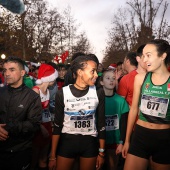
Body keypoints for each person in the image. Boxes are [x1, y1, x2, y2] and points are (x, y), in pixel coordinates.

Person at [49, 55, 106, 170]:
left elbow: (101, 124)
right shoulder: (62, 93)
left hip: (89, 144)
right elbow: (57, 126)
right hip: (67, 143)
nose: (96, 75)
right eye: (93, 71)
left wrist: (101, 152)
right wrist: (52, 156)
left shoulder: (98, 92)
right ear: (80, 72)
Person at [122, 39, 170, 170]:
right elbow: (133, 109)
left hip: (165, 139)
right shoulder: (140, 78)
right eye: (143, 56)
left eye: (148, 55)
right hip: (140, 136)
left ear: (163, 56)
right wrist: (127, 140)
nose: (144, 60)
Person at [0, 56, 42, 170]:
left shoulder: (32, 97)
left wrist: (7, 128)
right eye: (5, 70)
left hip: (20, 152)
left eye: (12, 70)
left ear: (22, 72)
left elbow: (34, 125)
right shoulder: (1, 92)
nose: (7, 73)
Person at [100, 70, 129, 170]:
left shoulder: (121, 101)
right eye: (108, 78)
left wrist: (121, 142)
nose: (111, 81)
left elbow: (123, 124)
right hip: (98, 143)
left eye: (113, 78)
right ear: (101, 82)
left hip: (114, 144)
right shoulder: (96, 100)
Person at [31, 64, 58, 170]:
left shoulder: (48, 91)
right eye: (54, 78)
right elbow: (32, 114)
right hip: (37, 127)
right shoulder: (35, 90)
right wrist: (41, 128)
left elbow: (46, 110)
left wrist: (50, 124)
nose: (55, 80)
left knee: (44, 157)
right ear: (49, 78)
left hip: (46, 125)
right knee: (34, 157)